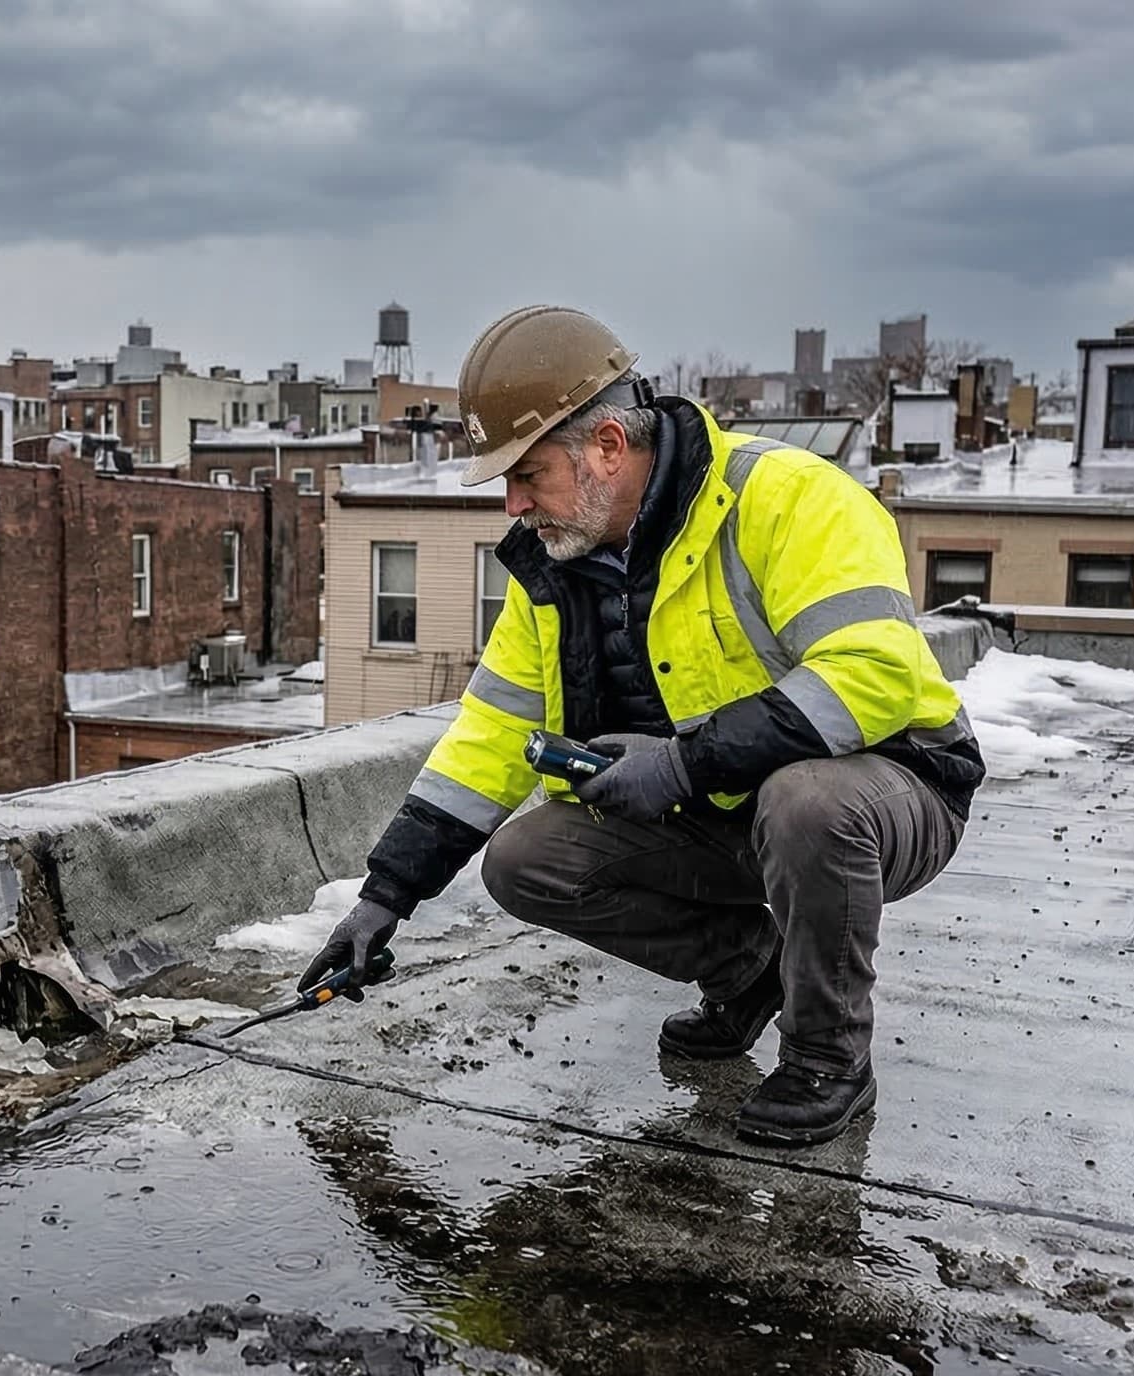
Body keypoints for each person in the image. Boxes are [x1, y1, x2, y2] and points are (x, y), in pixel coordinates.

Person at [302, 306, 982, 1146]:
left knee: (810, 800)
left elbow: (872, 678)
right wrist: (385, 898)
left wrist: (684, 765)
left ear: (609, 448)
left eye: (529, 474)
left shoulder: (793, 499)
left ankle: (828, 1059)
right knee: (525, 861)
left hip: (890, 794)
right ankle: (751, 968)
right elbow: (487, 736)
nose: (513, 504)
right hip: (724, 813)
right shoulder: (555, 566)